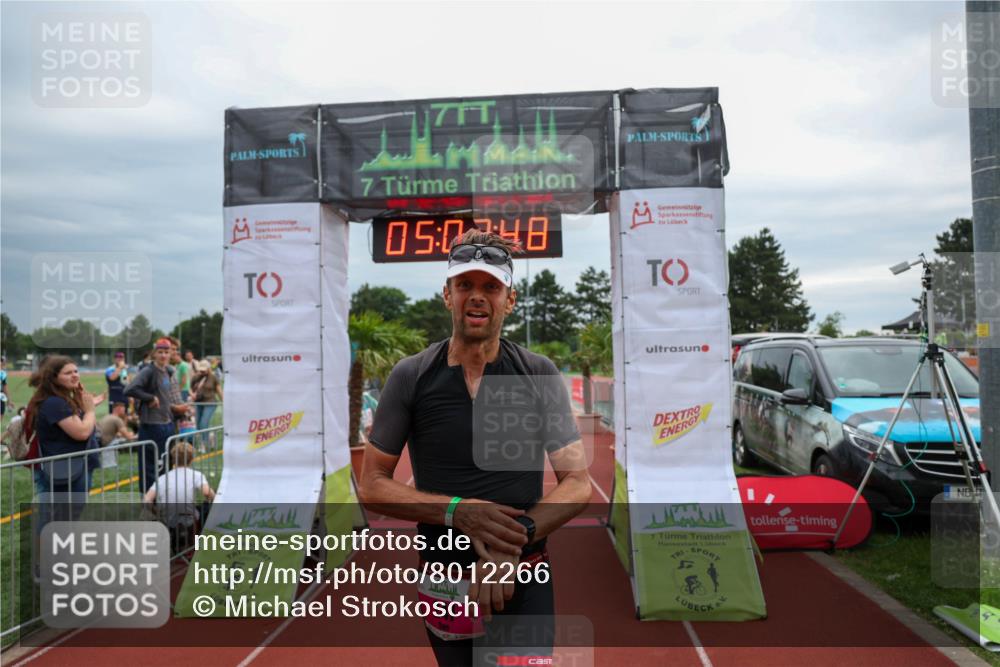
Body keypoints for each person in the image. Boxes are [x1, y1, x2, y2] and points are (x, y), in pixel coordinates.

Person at [359, 229, 591, 667]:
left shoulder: (538, 373)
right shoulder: (410, 375)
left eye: (490, 286)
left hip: (522, 569)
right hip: (445, 579)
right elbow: (371, 484)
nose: (477, 296)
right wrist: (457, 511)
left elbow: (577, 482)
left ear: (511, 300)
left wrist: (514, 540)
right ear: (447, 296)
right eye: (465, 285)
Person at [25, 355, 104, 515]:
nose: (75, 375)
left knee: (69, 518)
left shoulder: (64, 399)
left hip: (73, 468)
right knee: (55, 520)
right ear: (53, 378)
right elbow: (81, 432)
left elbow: (88, 427)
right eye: (68, 373)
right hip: (63, 471)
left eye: (76, 371)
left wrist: (84, 407)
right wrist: (89, 411)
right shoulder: (54, 402)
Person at [125, 338, 181, 492]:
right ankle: (149, 505)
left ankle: (164, 500)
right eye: (160, 352)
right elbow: (130, 389)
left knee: (166, 465)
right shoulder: (148, 371)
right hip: (151, 425)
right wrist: (149, 398)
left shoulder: (168, 371)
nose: (163, 355)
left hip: (166, 424)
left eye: (167, 352)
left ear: (171, 354)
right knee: (150, 469)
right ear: (154, 354)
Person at [143, 441, 215, 549]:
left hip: (167, 519)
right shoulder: (196, 475)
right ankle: (203, 540)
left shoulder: (162, 478)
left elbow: (146, 499)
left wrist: (156, 512)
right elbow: (206, 492)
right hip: (189, 517)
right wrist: (214, 495)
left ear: (173, 459)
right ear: (192, 459)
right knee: (207, 507)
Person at [191, 359, 222, 450]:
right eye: (201, 370)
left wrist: (224, 401)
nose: (202, 371)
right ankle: (208, 438)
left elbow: (219, 391)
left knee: (204, 423)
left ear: (208, 369)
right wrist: (192, 394)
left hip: (210, 403)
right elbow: (190, 389)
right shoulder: (195, 377)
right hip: (198, 402)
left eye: (204, 370)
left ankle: (204, 444)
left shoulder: (213, 378)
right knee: (198, 425)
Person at [97, 402, 136, 469]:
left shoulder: (107, 416)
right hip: (107, 443)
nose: (125, 412)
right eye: (124, 410)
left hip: (99, 443)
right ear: (118, 409)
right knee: (133, 441)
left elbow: (117, 433)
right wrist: (137, 436)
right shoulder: (117, 419)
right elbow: (128, 437)